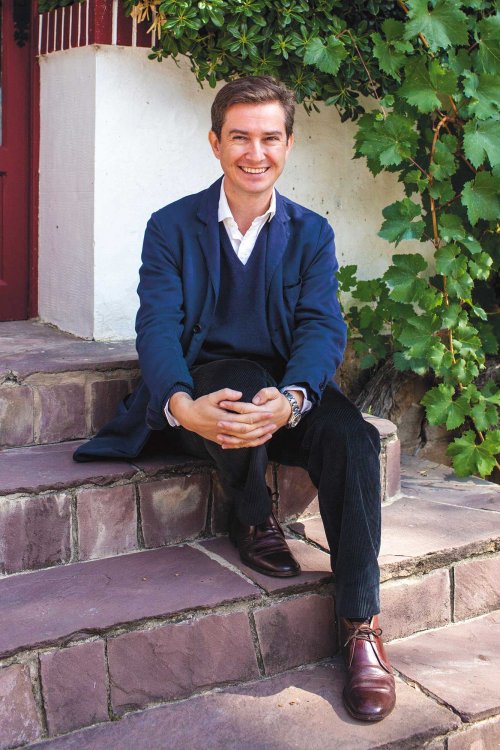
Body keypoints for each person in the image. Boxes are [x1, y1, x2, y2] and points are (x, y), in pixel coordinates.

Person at [76, 75, 396, 722]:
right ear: (215, 143)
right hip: (205, 387)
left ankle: (361, 624)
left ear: (289, 144)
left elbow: (321, 327)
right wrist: (176, 403)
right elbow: (158, 325)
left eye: (270, 138)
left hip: (283, 389)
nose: (256, 153)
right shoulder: (170, 227)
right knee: (236, 387)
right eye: (241, 137)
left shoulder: (312, 234)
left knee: (354, 437)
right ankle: (252, 515)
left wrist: (297, 397)